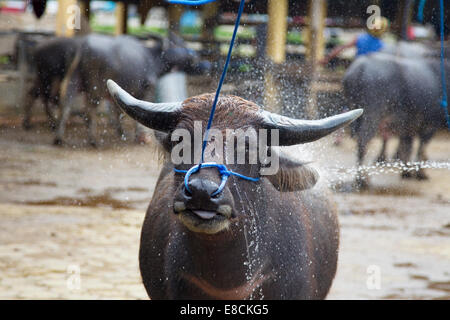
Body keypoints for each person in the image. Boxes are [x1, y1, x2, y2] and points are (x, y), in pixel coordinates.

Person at [320, 17, 389, 66]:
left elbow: (342, 47)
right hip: (373, 70)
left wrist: (327, 58)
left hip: (357, 66)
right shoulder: (383, 46)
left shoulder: (361, 38)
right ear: (384, 30)